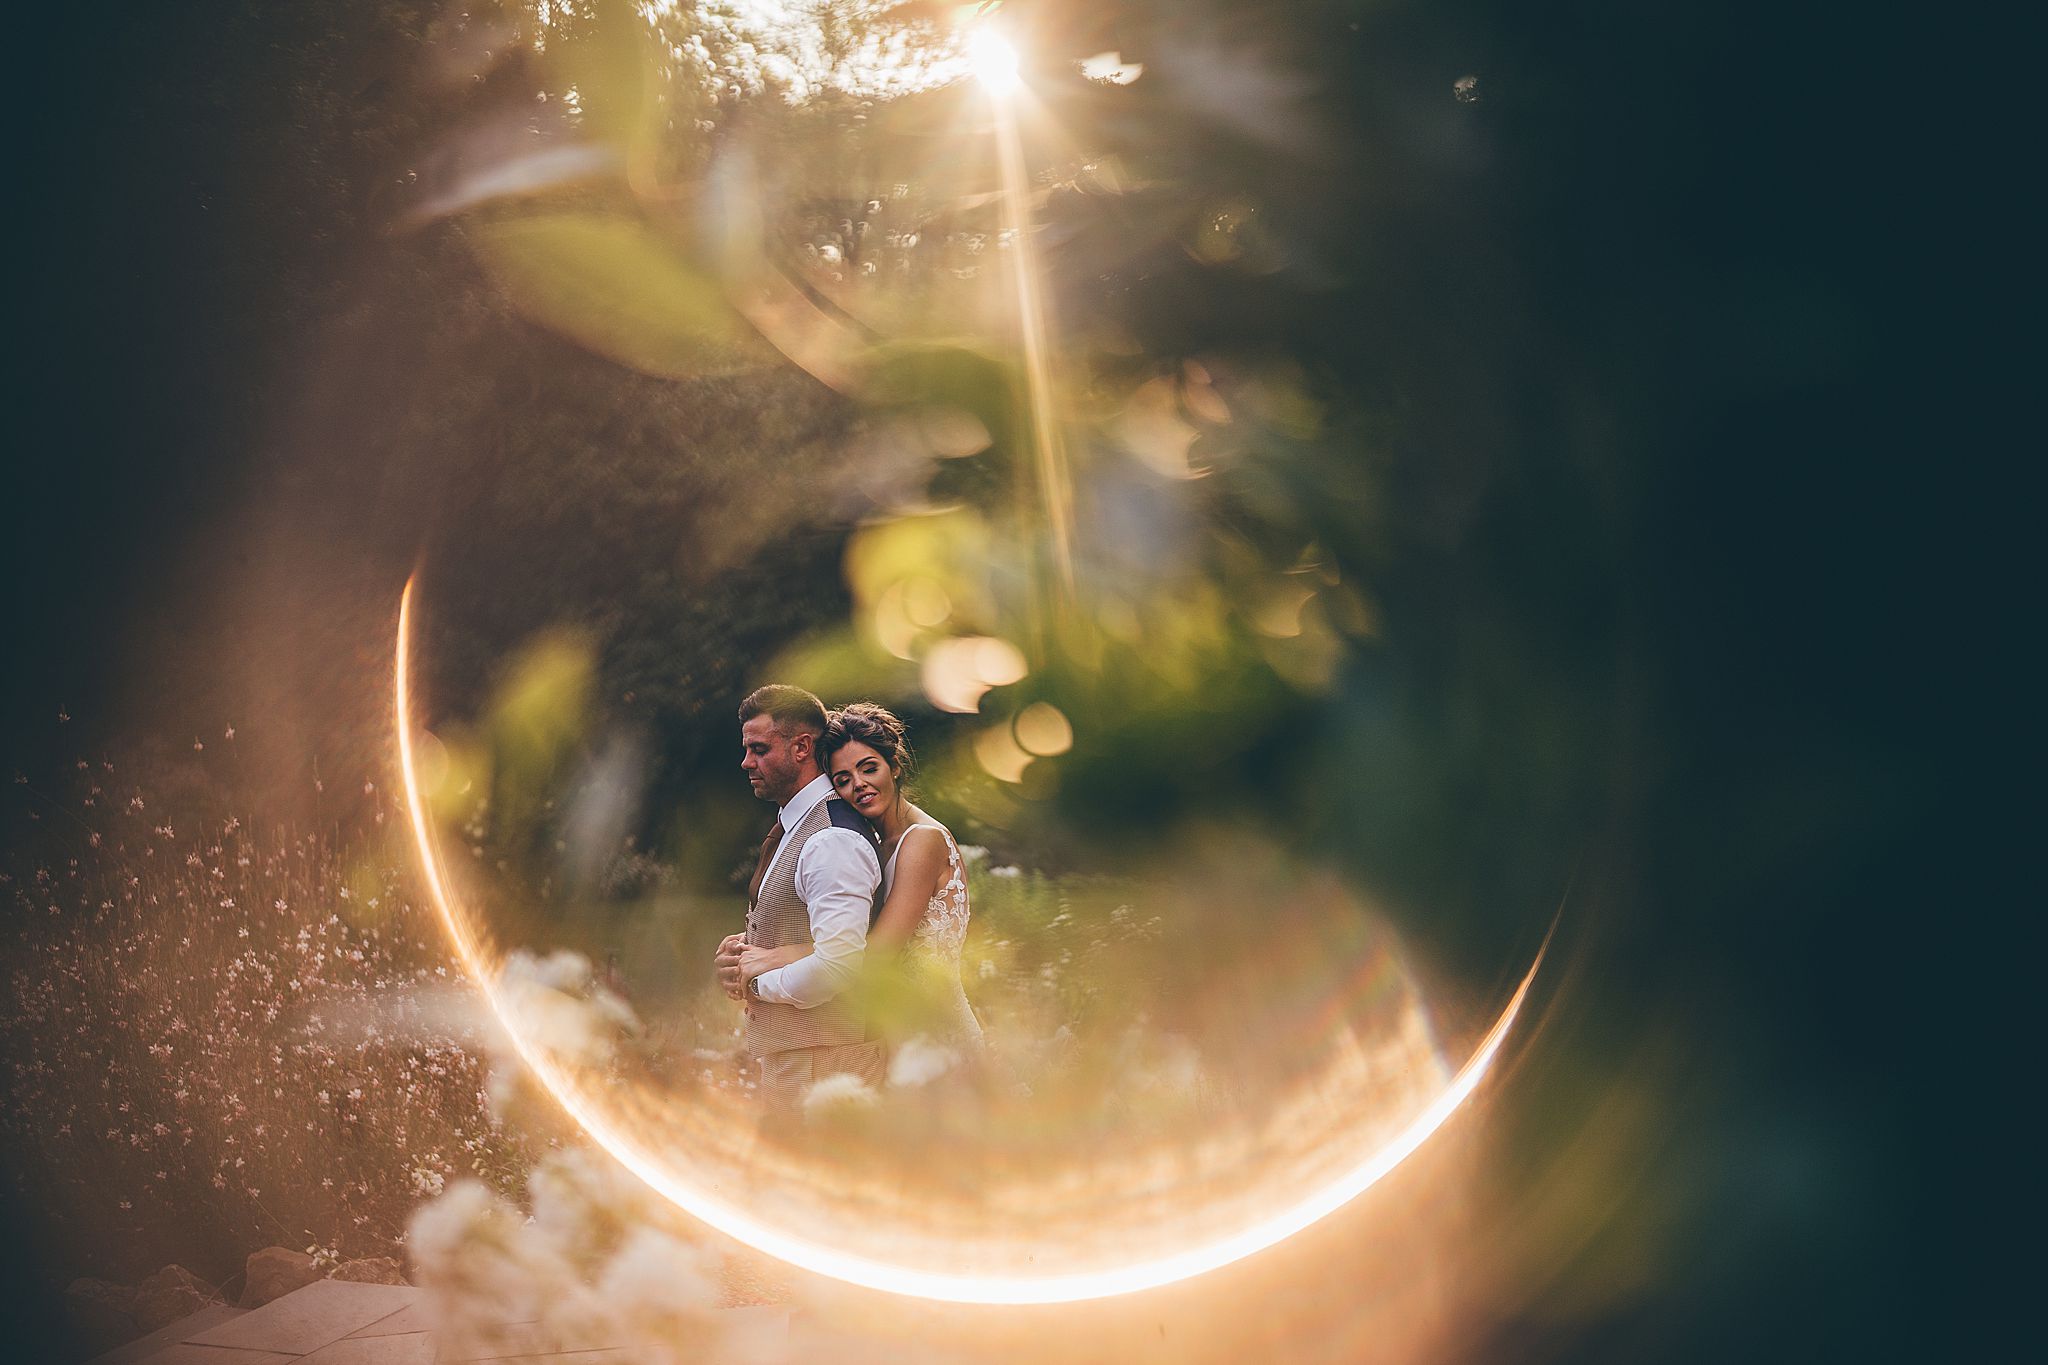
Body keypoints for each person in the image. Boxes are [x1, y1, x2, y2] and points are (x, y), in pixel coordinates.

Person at [737, 702, 984, 1055]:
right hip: (892, 1028)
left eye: (869, 769)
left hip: (930, 1031)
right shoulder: (877, 842)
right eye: (844, 779)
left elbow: (878, 954)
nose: (860, 785)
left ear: (894, 766)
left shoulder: (922, 842)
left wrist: (779, 956)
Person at [712, 685, 884, 1113]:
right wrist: (742, 955)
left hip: (826, 1068)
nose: (746, 762)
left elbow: (839, 965)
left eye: (759, 749)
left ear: (802, 747)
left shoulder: (831, 839)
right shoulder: (801, 827)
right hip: (802, 1063)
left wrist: (757, 983)